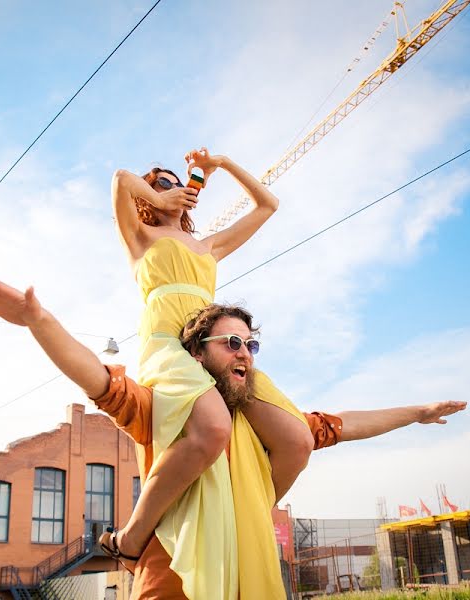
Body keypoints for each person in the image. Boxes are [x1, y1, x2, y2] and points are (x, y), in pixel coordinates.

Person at [0, 277, 467, 598]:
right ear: (197, 356)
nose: (244, 352)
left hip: (249, 572)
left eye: (251, 344)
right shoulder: (166, 412)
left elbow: (344, 424)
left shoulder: (260, 425)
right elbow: (97, 378)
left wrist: (417, 411)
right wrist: (38, 320)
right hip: (172, 580)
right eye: (231, 343)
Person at [110, 149, 325, 598]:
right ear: (150, 196)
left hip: (218, 348)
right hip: (169, 344)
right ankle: (132, 536)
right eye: (162, 183)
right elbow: (121, 179)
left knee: (297, 438)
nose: (173, 188)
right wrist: (163, 197)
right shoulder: (139, 237)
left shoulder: (207, 246)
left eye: (177, 183)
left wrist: (222, 165)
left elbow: (268, 206)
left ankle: (249, 511)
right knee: (213, 426)